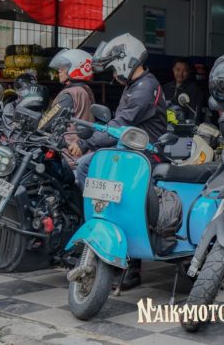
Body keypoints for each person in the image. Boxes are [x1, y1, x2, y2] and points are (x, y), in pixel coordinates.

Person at [71, 33, 167, 290]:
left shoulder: (145, 88)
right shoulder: (134, 85)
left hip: (145, 155)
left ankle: (129, 262)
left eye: (114, 69)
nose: (114, 76)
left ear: (127, 61)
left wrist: (86, 143)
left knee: (89, 168)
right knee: (87, 167)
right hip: (128, 151)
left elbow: (119, 125)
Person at [38, 49, 95, 167]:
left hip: (69, 155)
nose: (59, 70)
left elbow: (47, 123)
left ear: (75, 69)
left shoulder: (69, 94)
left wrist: (34, 126)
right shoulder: (84, 90)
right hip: (81, 153)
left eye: (63, 67)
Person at [163, 58, 203, 123]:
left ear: (189, 71)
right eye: (178, 70)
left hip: (184, 125)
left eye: (184, 70)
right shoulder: (166, 87)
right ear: (173, 70)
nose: (180, 74)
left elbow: (195, 114)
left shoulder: (194, 90)